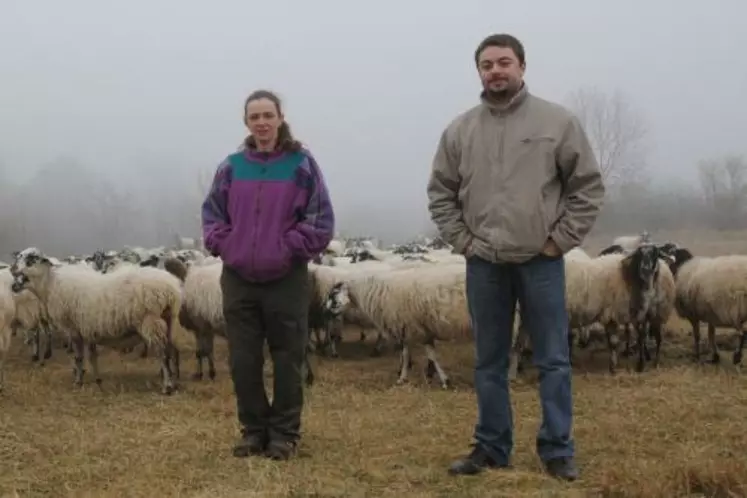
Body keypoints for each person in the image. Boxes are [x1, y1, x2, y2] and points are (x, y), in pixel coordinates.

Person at [426, 33, 605, 481]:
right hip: (484, 262)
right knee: (488, 360)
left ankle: (558, 449)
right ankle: (491, 446)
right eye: (487, 65)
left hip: (540, 261)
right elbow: (440, 194)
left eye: (504, 62)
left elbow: (587, 188)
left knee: (552, 359)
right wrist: (465, 242)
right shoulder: (461, 130)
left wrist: (558, 241)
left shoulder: (556, 122)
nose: (496, 71)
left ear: (522, 67)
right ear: (479, 73)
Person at [201, 89, 335, 461]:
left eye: (267, 115)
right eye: (254, 116)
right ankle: (253, 431)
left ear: (279, 118)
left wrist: (288, 247)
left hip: (286, 279)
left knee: (287, 357)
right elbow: (212, 214)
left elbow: (320, 219)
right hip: (239, 277)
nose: (261, 122)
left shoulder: (301, 165)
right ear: (246, 122)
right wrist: (228, 245)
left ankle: (285, 434)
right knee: (243, 359)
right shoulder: (231, 167)